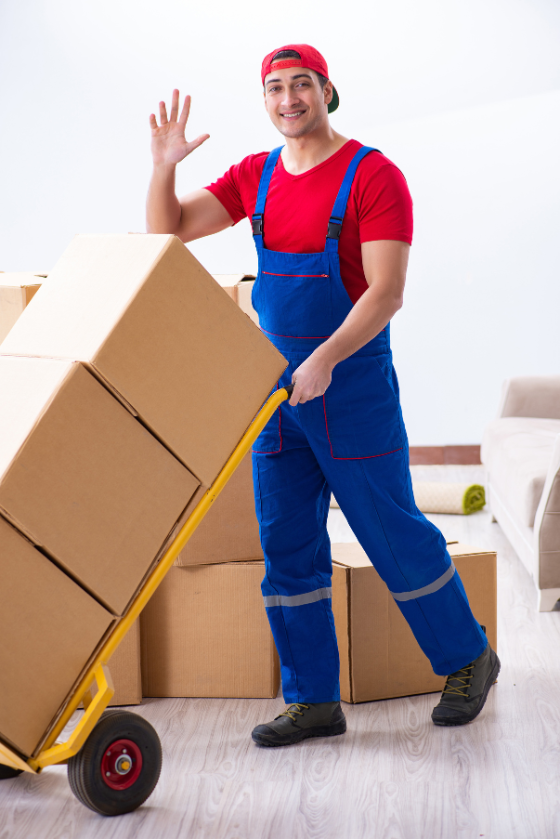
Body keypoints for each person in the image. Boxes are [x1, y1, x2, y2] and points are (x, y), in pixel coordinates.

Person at [146, 43, 500, 747]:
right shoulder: (258, 175)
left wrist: (325, 361)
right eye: (275, 88)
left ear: (326, 91)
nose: (287, 100)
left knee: (390, 531)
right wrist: (163, 168)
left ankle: (468, 658)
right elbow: (169, 233)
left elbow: (386, 292)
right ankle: (312, 699)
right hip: (274, 395)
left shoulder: (374, 177)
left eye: (300, 85)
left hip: (351, 386)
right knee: (287, 543)